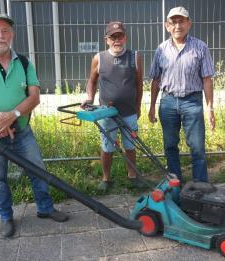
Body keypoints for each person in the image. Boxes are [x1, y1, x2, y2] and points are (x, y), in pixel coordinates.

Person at [0, 11, 68, 238]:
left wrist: (13, 115)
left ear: (12, 34)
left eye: (5, 31)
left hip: (22, 132)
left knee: (37, 170)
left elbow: (34, 97)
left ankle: (45, 209)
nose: (0, 35)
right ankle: (6, 217)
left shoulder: (25, 62)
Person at [148, 6, 215, 183]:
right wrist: (152, 107)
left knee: (197, 147)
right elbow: (155, 80)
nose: (177, 25)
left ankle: (200, 187)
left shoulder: (200, 47)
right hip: (168, 103)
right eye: (173, 22)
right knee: (170, 146)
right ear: (167, 26)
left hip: (192, 102)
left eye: (181, 21)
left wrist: (210, 107)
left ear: (189, 23)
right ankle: (175, 184)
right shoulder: (161, 50)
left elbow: (207, 79)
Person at [81, 21, 144, 191]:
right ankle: (106, 179)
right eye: (113, 37)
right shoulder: (98, 58)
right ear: (106, 40)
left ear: (125, 38)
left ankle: (132, 176)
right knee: (107, 146)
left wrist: (138, 107)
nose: (117, 40)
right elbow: (92, 82)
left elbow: (139, 85)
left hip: (129, 112)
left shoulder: (135, 57)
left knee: (130, 145)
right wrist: (89, 98)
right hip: (106, 113)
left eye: (120, 36)